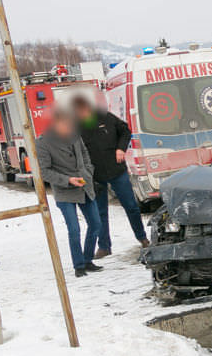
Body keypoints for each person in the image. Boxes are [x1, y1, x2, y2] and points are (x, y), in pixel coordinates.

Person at [72, 96, 148, 259]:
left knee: (131, 206)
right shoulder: (77, 128)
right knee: (100, 212)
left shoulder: (105, 117)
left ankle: (142, 237)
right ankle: (104, 246)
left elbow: (125, 131)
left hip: (116, 171)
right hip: (96, 176)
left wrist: (121, 148)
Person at [37, 107, 103, 278]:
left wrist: (88, 172)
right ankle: (79, 265)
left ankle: (88, 259)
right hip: (65, 192)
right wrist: (67, 180)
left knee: (96, 224)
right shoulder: (43, 142)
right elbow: (44, 171)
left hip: (85, 185)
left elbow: (85, 155)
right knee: (74, 229)